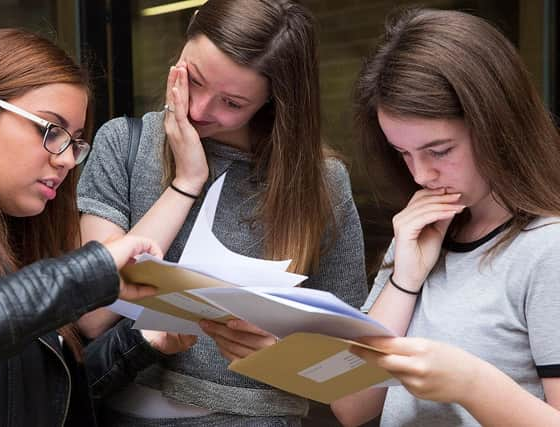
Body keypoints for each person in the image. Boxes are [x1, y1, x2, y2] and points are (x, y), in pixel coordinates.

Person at [76, 0, 368, 425]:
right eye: (192, 79)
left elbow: (349, 379)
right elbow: (92, 312)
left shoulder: (320, 183)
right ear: (188, 34)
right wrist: (186, 182)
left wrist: (279, 357)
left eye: (232, 103)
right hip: (123, 410)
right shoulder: (124, 143)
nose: (198, 110)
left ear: (273, 101)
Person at [0, 28, 196, 427]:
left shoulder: (12, 234)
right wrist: (88, 271)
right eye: (51, 131)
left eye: (75, 141)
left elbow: (43, 397)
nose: (68, 160)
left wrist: (141, 341)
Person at [330, 8, 560, 426]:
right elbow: (350, 406)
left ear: (498, 125)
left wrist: (473, 384)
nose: (420, 175)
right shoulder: (418, 232)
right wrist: (405, 279)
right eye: (403, 154)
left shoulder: (548, 249)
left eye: (439, 151)